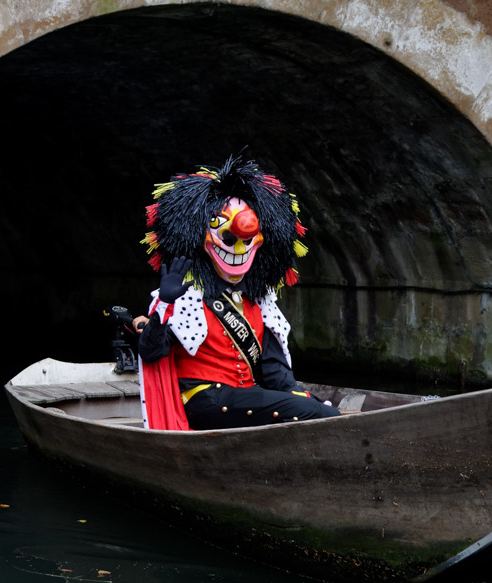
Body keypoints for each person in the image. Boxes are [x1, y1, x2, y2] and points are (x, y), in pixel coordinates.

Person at [131, 155, 340, 431]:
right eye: (229, 239)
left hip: (245, 396)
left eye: (245, 241)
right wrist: (164, 303)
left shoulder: (259, 301)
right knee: (316, 413)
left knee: (324, 410)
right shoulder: (186, 296)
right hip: (204, 400)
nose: (238, 248)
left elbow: (276, 373)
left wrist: (301, 397)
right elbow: (150, 352)